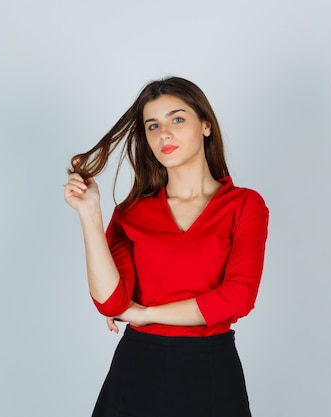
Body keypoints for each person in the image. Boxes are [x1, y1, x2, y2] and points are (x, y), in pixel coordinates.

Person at [63, 76, 269, 417]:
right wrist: (89, 214)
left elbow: (238, 297)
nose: (164, 135)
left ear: (205, 125)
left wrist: (146, 314)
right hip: (136, 370)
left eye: (177, 119)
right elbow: (111, 302)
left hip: (211, 371)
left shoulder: (244, 205)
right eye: (152, 126)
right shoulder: (132, 212)